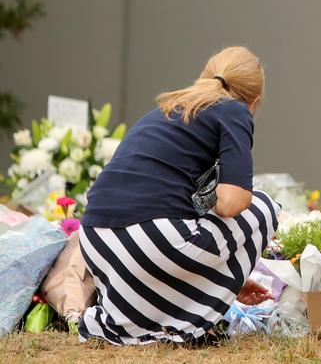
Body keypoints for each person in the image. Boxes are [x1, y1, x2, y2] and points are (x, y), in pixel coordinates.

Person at [79, 46, 281, 345]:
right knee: (265, 207)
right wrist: (223, 268)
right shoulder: (234, 110)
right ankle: (188, 321)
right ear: (255, 102)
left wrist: (221, 276)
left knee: (178, 229)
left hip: (95, 242)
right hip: (152, 241)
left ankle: (135, 325)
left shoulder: (167, 109)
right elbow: (232, 202)